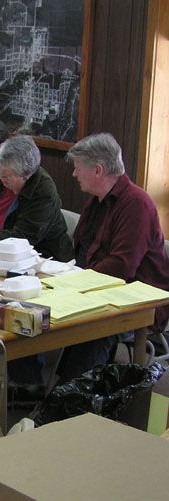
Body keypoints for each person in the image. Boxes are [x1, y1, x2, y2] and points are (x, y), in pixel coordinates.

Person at [56, 132, 169, 382]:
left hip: (138, 297)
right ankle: (43, 385)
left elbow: (122, 266)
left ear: (97, 170)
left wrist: (75, 280)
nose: (74, 175)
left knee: (93, 327)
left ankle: (76, 398)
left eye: (78, 168)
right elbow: (82, 249)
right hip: (97, 286)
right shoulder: (98, 200)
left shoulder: (136, 204)